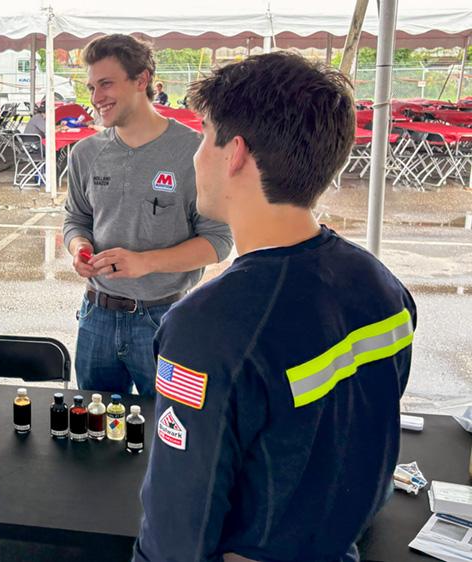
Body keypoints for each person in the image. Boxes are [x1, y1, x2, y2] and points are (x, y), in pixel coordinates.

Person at [135, 52, 417, 561]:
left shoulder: (207, 329)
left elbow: (177, 533)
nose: (196, 154)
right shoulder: (383, 288)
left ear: (235, 153)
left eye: (203, 134)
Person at [63, 34, 232, 395]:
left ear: (142, 80)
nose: (95, 98)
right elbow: (76, 220)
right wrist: (79, 247)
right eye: (91, 87)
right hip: (96, 316)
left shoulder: (194, 152)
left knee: (171, 430)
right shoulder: (84, 153)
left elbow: (218, 242)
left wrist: (146, 262)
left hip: (165, 317)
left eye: (106, 84)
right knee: (94, 432)